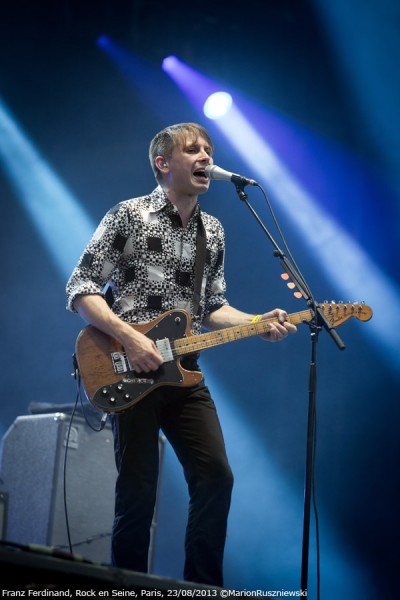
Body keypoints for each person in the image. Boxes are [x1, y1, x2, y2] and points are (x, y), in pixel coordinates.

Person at [66, 122, 297, 587]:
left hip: (185, 373)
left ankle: (202, 589)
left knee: (217, 477)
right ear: (163, 163)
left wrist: (258, 324)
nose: (206, 157)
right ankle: (125, 589)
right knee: (138, 492)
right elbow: (80, 289)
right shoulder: (128, 216)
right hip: (128, 368)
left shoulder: (212, 230)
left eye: (209, 150)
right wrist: (130, 338)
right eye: (193, 149)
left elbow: (213, 308)